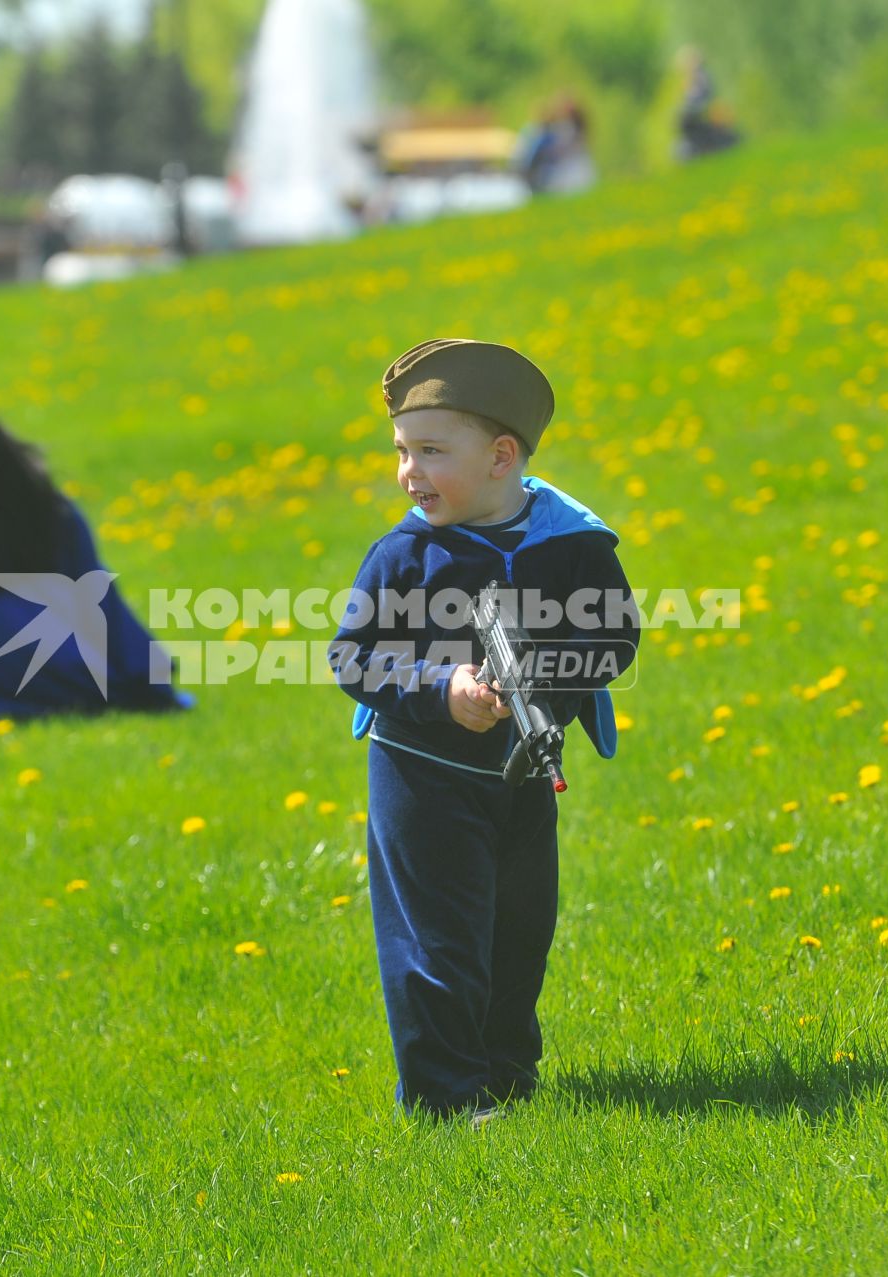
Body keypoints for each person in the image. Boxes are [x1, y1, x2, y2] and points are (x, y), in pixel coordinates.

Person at [328, 339, 638, 1120]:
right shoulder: (404, 552)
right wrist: (441, 687)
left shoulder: (573, 543)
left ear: (503, 455)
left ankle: (505, 1079)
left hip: (525, 773)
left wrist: (544, 675)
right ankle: (445, 1097)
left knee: (517, 933)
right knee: (439, 943)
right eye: (403, 451)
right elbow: (351, 655)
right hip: (421, 773)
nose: (409, 473)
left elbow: (616, 638)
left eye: (432, 451)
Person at [0, 381, 194, 719]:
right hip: (86, 676)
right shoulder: (53, 509)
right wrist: (148, 678)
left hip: (5, 687)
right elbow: (101, 599)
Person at [675, 47, 741, 163]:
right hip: (694, 114)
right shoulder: (689, 80)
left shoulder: (702, 77)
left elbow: (703, 97)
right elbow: (688, 100)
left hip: (703, 112)